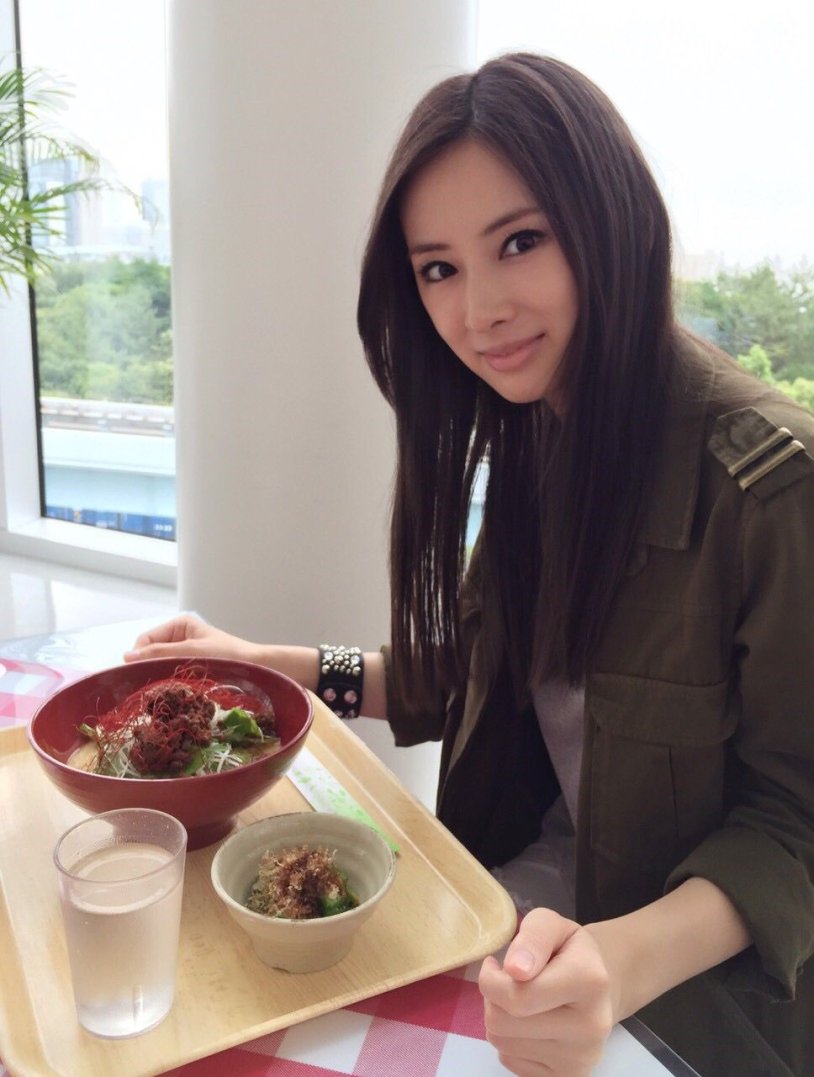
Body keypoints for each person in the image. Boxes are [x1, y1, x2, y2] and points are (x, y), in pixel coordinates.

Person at [125, 54, 814, 1077]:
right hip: (521, 910)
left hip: (698, 998)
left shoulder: (769, 487)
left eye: (520, 242)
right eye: (438, 268)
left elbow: (795, 820)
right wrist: (267, 669)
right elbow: (477, 677)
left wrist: (620, 962)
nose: (477, 309)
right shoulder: (540, 435)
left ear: (614, 222)